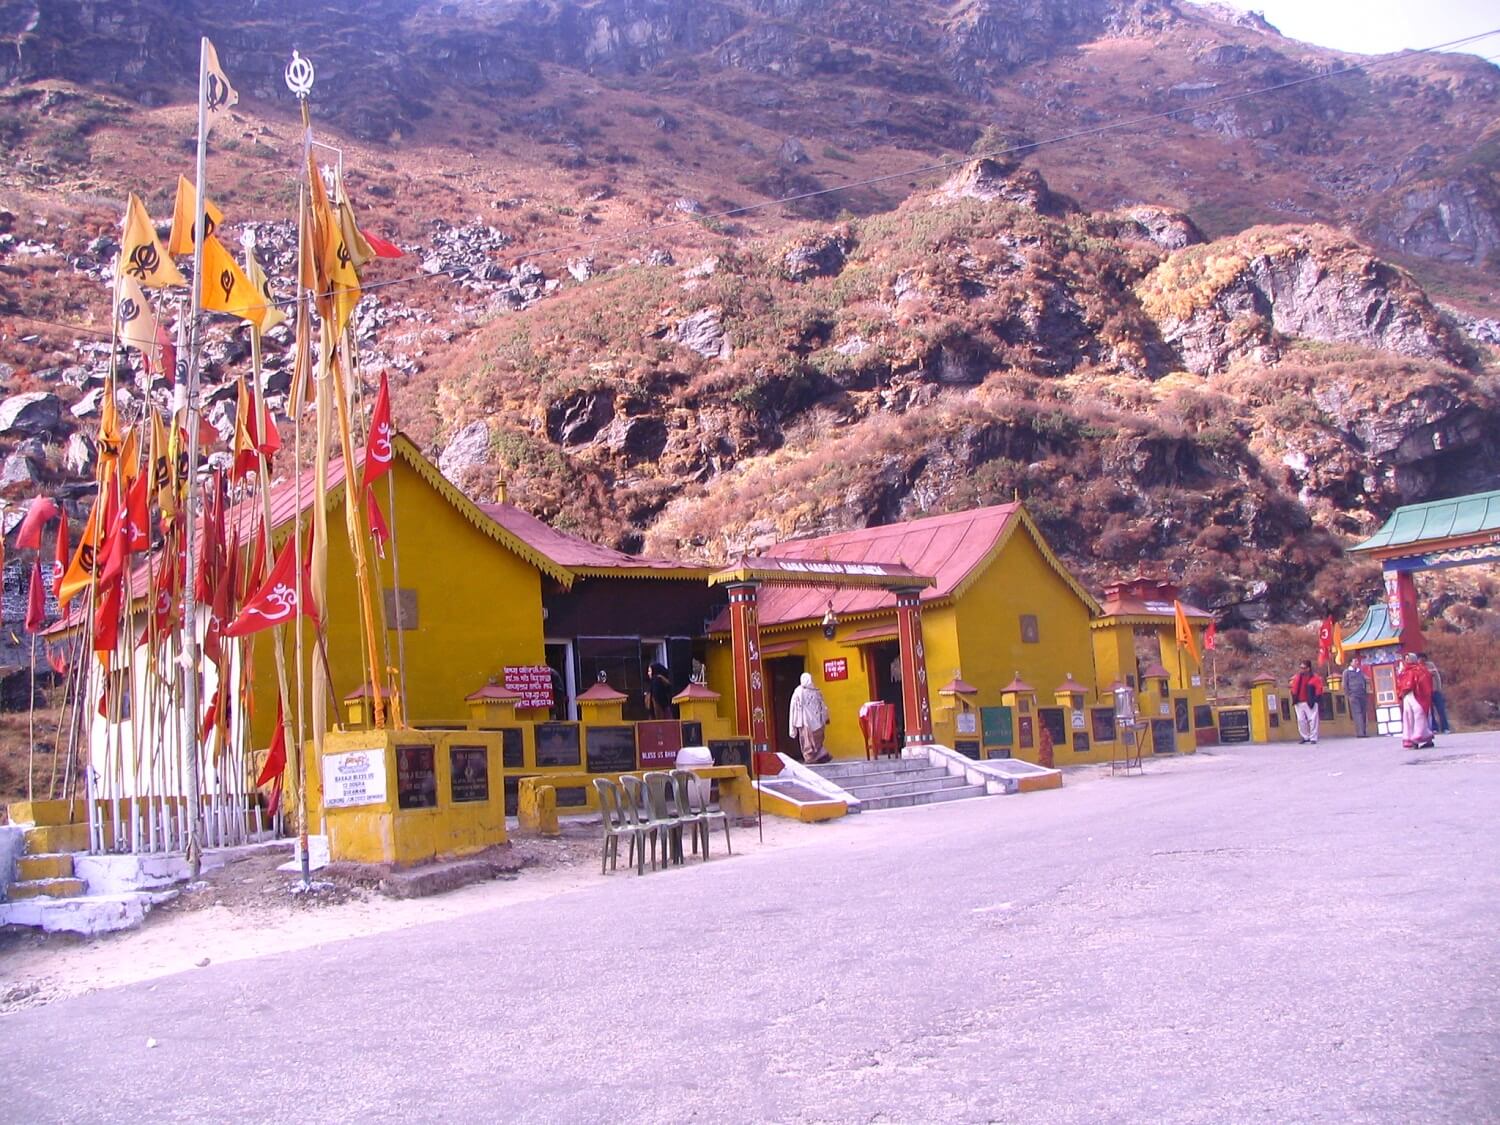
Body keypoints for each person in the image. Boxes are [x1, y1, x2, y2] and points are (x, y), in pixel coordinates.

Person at [788, 672, 832, 764]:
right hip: (810, 720)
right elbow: (823, 706)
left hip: (809, 721)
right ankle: (814, 757)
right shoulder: (805, 692)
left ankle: (813, 757)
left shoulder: (806, 692)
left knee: (809, 740)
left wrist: (793, 724)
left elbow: (822, 706)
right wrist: (826, 717)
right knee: (811, 740)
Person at [1396, 651, 1435, 749]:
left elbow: (1422, 682)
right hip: (1408, 698)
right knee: (1409, 718)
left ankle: (1418, 740)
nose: (1406, 660)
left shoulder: (1418, 670)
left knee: (1419, 717)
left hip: (1418, 697)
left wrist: (1405, 690)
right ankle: (1414, 740)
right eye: (1405, 659)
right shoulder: (1405, 671)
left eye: (1408, 658)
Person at [1289, 659, 1323, 745]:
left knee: (1313, 720)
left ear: (1308, 668)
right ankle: (1305, 736)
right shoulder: (1298, 677)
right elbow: (1293, 688)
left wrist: (1315, 699)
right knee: (1301, 720)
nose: (1302, 670)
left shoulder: (1315, 678)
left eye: (1304, 668)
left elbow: (1319, 689)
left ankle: (1313, 737)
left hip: (1310, 701)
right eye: (1301, 668)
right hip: (1299, 702)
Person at [1343, 656, 1370, 738]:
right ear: (1351, 663)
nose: (1357, 663)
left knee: (1363, 713)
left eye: (1357, 661)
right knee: (1357, 713)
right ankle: (1360, 733)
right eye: (1355, 661)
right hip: (1353, 695)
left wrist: (1365, 691)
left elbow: (1364, 682)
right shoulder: (1347, 672)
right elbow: (1345, 684)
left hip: (1362, 694)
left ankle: (1364, 731)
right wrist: (1349, 694)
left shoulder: (1360, 672)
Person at [1424, 655, 1452, 734]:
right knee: (1430, 711)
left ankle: (1445, 728)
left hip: (1435, 690)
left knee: (1441, 709)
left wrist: (1439, 688)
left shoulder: (1430, 665)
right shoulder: (1418, 667)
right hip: (1426, 692)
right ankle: (1434, 728)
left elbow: (1437, 677)